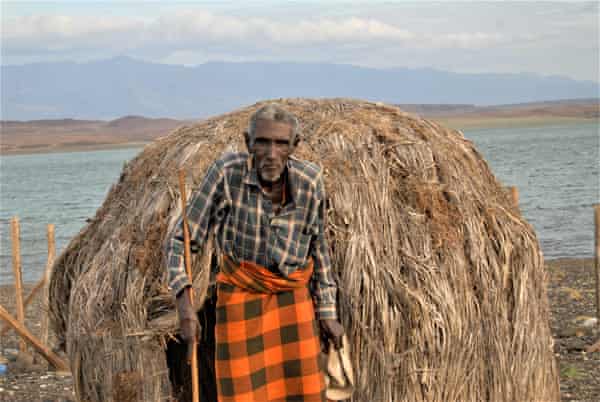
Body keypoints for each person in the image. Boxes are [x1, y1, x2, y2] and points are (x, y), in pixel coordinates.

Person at [165, 104, 344, 402]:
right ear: (248, 142)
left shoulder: (310, 181)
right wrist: (184, 304)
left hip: (292, 297)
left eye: (281, 143)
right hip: (240, 295)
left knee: (303, 392)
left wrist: (327, 312)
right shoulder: (226, 173)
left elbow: (319, 249)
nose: (271, 153)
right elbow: (181, 239)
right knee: (241, 392)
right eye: (262, 142)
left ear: (294, 146)